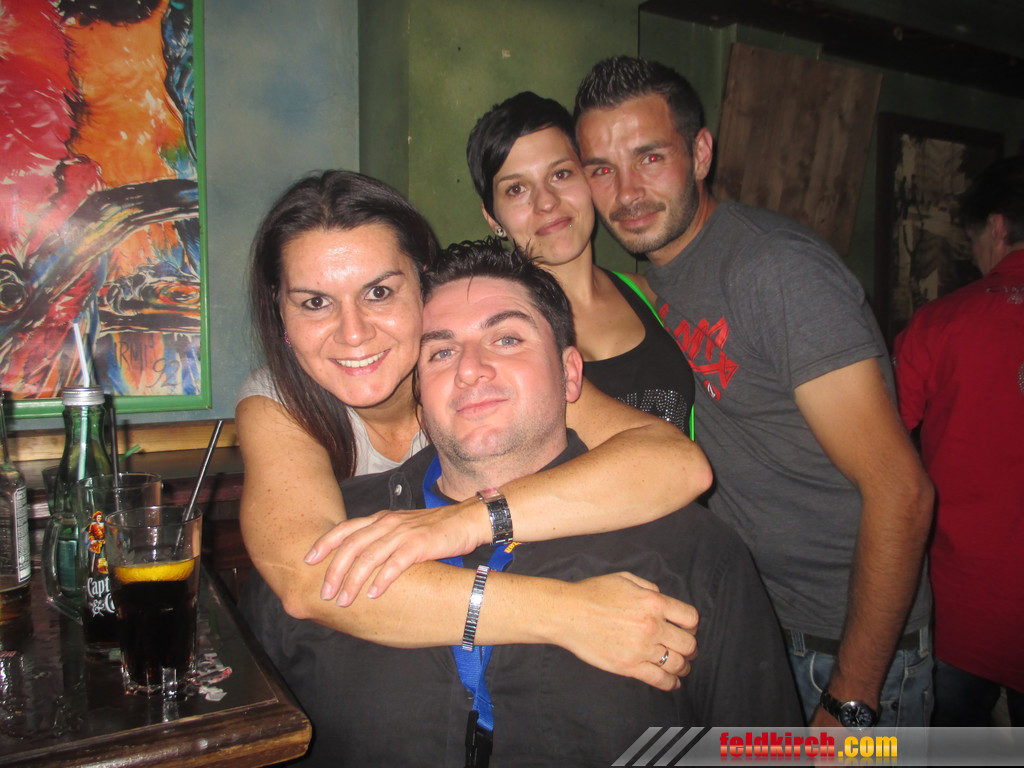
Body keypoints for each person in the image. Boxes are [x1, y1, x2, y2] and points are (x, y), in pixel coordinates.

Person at [243, 239, 802, 767]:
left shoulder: (693, 553)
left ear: (570, 374)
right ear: (418, 390)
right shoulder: (330, 535)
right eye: (441, 351)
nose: (469, 368)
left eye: (507, 339)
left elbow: (764, 751)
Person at [237, 171, 713, 694]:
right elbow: (312, 579)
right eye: (315, 302)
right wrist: (569, 614)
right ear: (280, 314)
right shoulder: (277, 404)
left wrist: (465, 521)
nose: (353, 333)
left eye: (379, 292)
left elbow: (677, 463)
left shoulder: (477, 387)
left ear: (423, 287)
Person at [573, 56, 934, 728]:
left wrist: (851, 699)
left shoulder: (778, 269)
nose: (626, 192)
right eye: (601, 169)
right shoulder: (655, 279)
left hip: (851, 648)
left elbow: (903, 493)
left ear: (700, 153)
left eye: (650, 157)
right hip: (757, 623)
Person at [466, 91, 694, 435]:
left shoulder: (652, 294)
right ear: (492, 217)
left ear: (590, 180)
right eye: (516, 189)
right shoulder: (494, 335)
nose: (546, 202)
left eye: (560, 174)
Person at [894, 155, 1024, 726]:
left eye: (973, 239)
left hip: (964, 606)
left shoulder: (940, 324)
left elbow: (880, 446)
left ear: (996, 227)